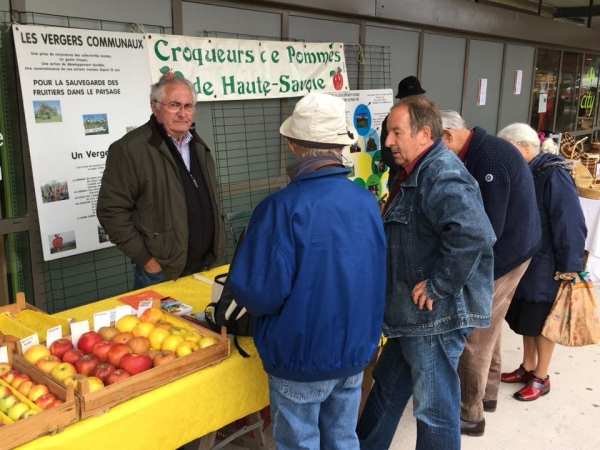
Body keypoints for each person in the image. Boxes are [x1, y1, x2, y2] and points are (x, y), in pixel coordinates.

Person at [229, 92, 386, 450]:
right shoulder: (365, 202)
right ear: (341, 146)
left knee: (300, 442)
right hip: (353, 353)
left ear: (292, 144)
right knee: (343, 438)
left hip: (299, 356)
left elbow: (258, 293)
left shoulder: (279, 208)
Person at [357, 96, 496, 450]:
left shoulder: (440, 172)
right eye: (388, 132)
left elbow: (473, 232)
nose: (387, 141)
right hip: (412, 315)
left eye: (395, 132)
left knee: (434, 410)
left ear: (423, 134)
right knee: (387, 389)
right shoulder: (416, 171)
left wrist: (439, 285)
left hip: (436, 318)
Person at [440, 111, 542, 437]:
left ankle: (470, 414)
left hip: (508, 255)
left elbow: (487, 230)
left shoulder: (489, 159)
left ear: (447, 135)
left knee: (474, 333)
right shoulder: (481, 150)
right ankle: (489, 393)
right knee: (491, 326)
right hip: (516, 247)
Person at [97, 75, 226, 289]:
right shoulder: (130, 149)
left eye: (188, 106)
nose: (182, 113)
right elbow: (111, 211)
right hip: (162, 271)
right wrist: (148, 261)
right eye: (174, 105)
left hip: (204, 264)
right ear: (155, 107)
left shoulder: (198, 146)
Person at [497, 123, 587, 401]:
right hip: (528, 260)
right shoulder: (528, 172)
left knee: (543, 321)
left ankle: (541, 376)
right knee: (527, 319)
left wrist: (570, 265)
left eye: (508, 150)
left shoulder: (553, 175)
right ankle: (527, 366)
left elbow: (570, 223)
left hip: (548, 264)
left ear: (524, 148)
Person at [380, 76, 426, 189]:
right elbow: (386, 153)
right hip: (400, 177)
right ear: (401, 100)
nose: (411, 103)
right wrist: (405, 169)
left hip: (424, 177)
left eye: (414, 98)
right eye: (407, 99)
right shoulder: (390, 120)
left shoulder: (427, 119)